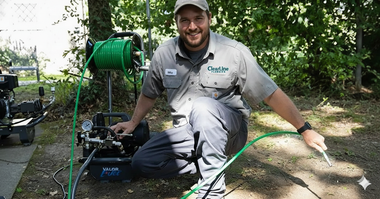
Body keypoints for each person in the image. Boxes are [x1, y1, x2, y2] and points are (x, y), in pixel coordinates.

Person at [111, 0, 328, 198]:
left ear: (209, 18)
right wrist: (133, 122)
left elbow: (270, 93)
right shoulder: (164, 54)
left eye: (198, 18)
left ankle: (211, 190)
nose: (192, 26)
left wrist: (304, 129)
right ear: (175, 23)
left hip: (230, 131)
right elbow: (150, 93)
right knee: (142, 163)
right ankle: (209, 160)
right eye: (184, 20)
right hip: (187, 132)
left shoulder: (233, 52)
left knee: (203, 107)